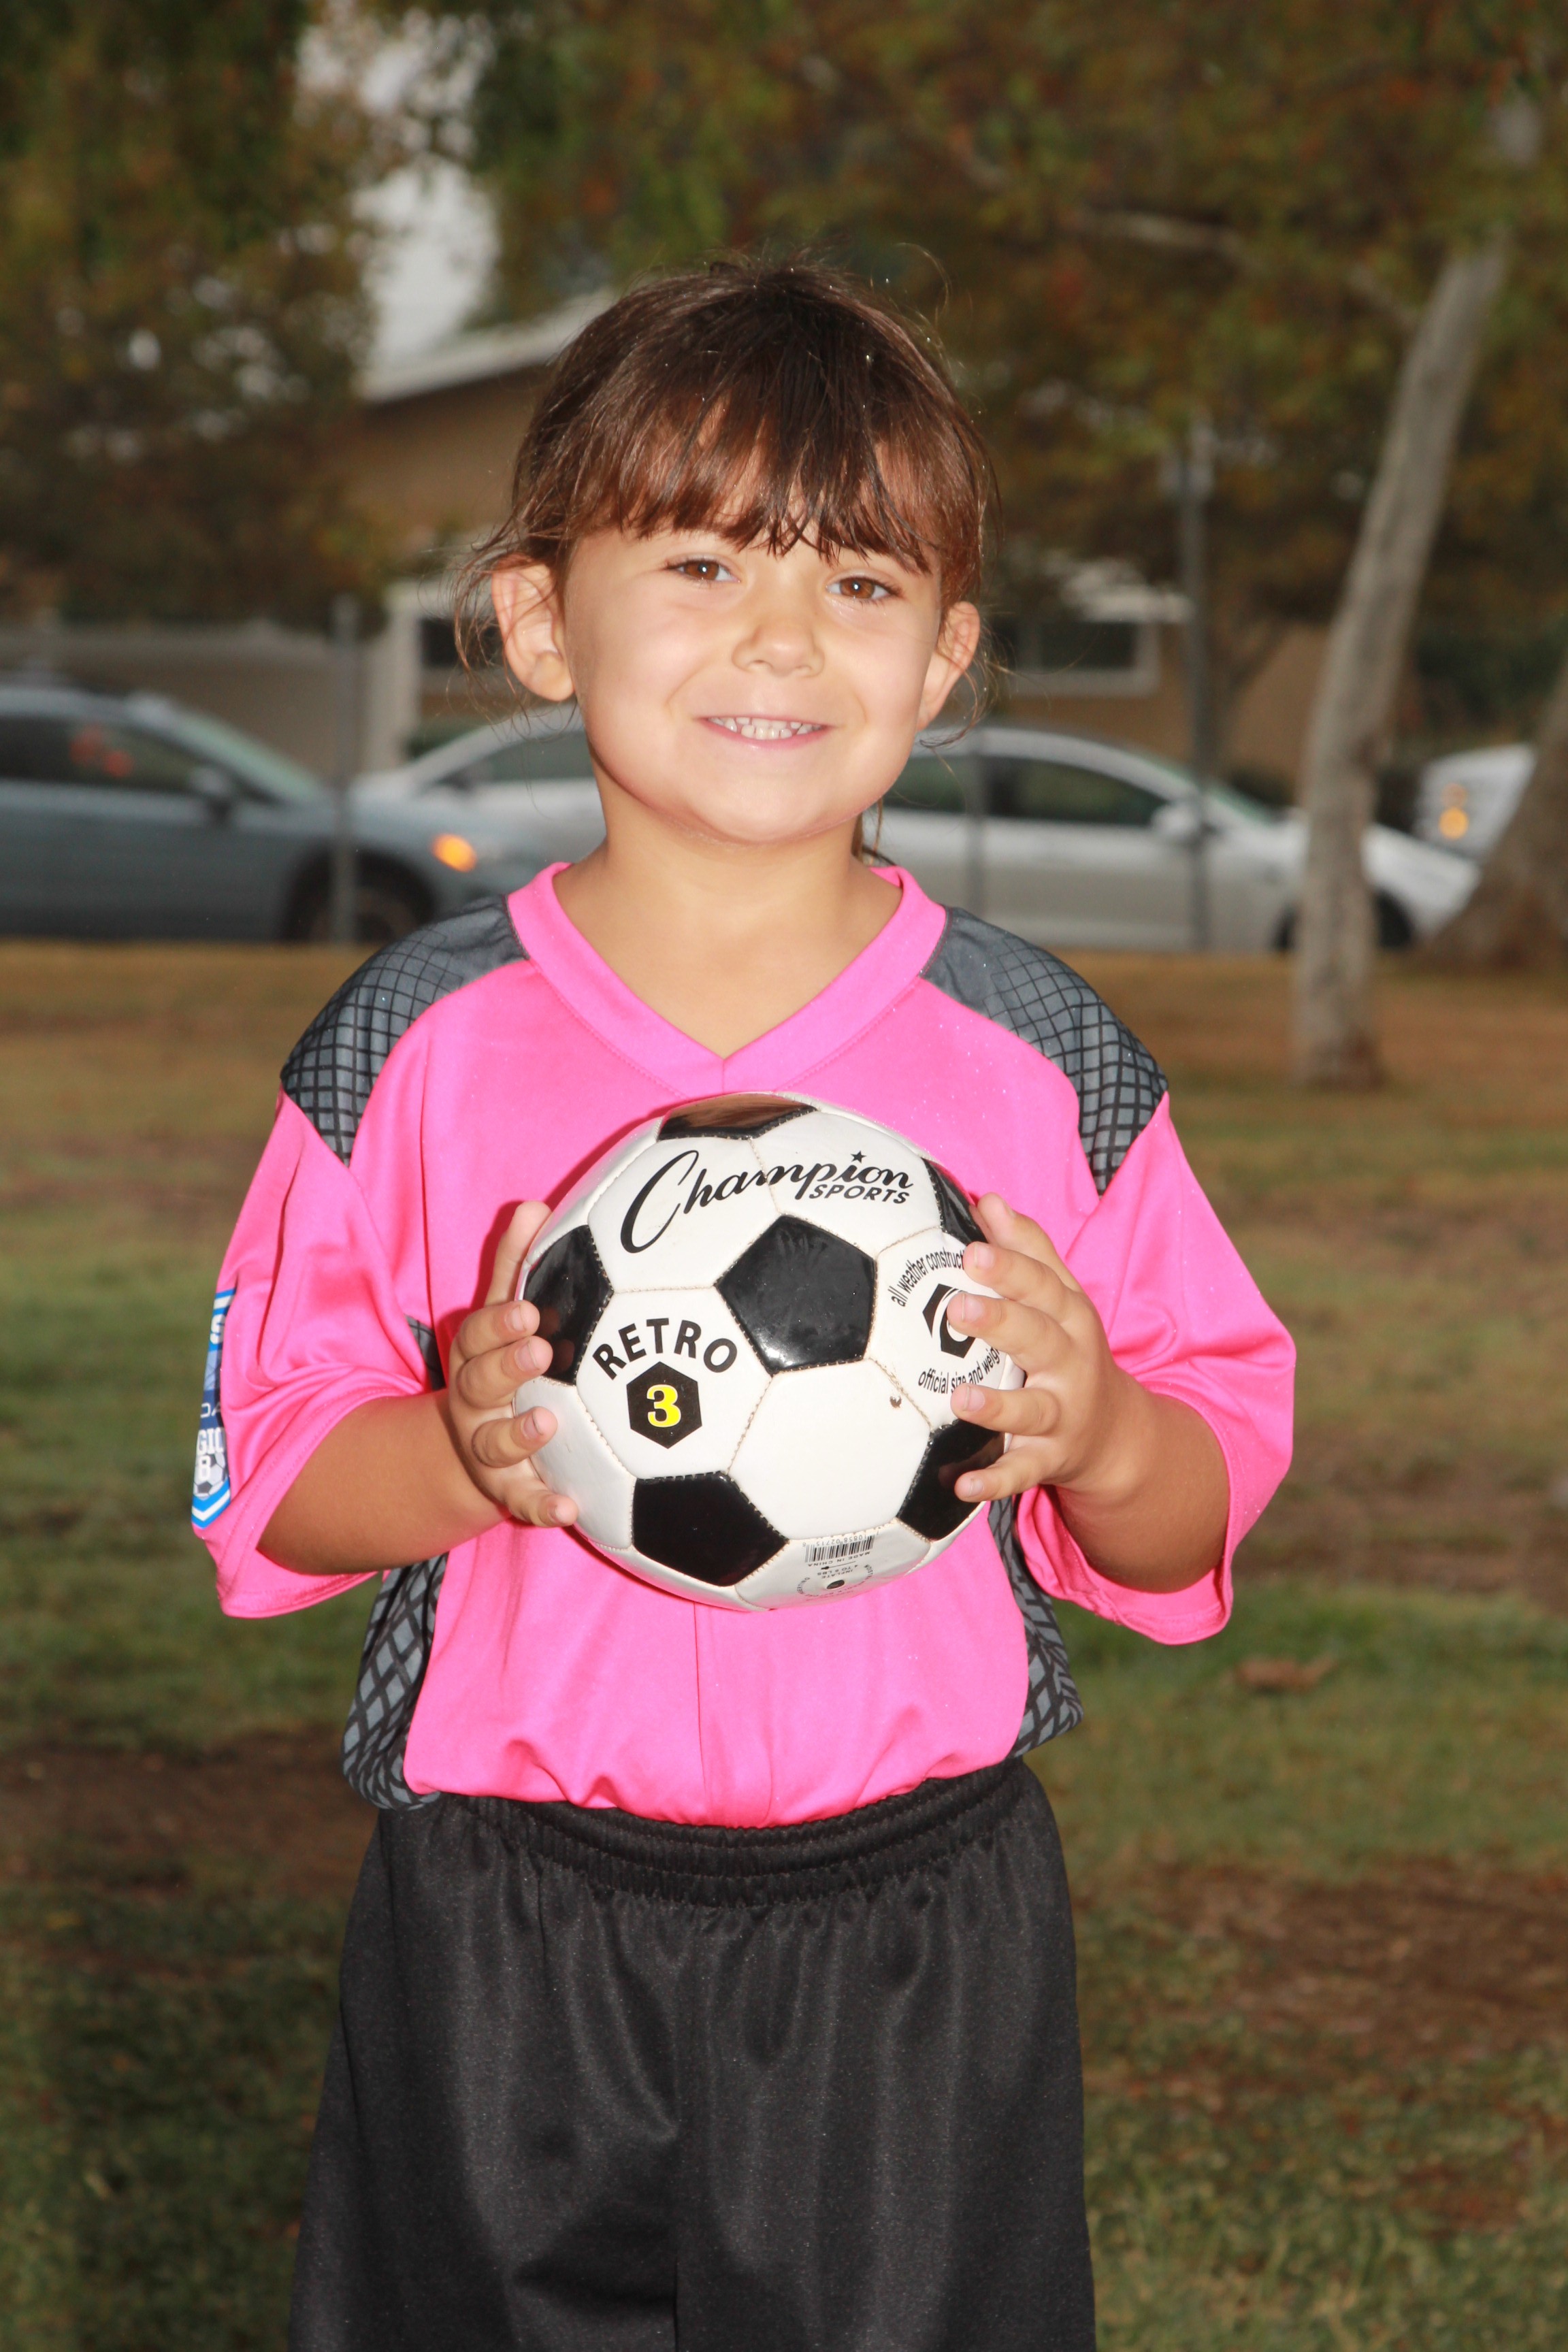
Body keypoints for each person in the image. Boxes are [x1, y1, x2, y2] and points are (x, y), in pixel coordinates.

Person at [194, 258, 1294, 2352]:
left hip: (917, 1930)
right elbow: (268, 1477)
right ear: (541, 619)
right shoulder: (411, 1044)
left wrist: (1107, 1431)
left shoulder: (1043, 1058)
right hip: (506, 1924)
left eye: (861, 583)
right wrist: (464, 1455)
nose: (782, 638)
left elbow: (1192, 1511)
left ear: (945, 658)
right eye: (702, 563)